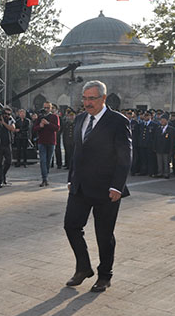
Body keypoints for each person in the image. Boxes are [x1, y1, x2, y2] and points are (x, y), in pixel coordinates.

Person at [64, 80, 132, 293]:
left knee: (104, 234)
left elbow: (125, 156)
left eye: (92, 98)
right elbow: (77, 152)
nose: (87, 103)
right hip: (80, 187)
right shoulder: (81, 119)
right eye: (84, 98)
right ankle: (83, 267)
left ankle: (105, 276)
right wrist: (71, 178)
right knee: (71, 226)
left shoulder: (117, 121)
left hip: (106, 189)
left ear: (103, 98)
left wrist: (117, 186)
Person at [33, 101, 60, 187]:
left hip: (51, 141)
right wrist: (40, 126)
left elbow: (57, 128)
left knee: (48, 161)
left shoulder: (54, 117)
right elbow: (34, 128)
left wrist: (48, 123)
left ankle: (46, 176)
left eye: (48, 108)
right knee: (43, 161)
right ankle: (44, 178)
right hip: (42, 142)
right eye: (45, 107)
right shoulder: (40, 117)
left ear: (51, 108)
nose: (46, 109)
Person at [0, 105, 15, 187]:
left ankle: (3, 175)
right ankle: (0, 180)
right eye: (5, 114)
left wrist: (4, 123)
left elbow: (12, 128)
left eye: (8, 114)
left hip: (7, 143)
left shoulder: (10, 119)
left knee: (9, 161)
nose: (7, 116)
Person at [153, 113, 175, 179]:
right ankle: (160, 173)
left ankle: (166, 173)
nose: (162, 121)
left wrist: (171, 149)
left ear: (167, 121)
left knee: (166, 162)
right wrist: (154, 147)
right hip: (159, 148)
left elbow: (172, 140)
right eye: (161, 120)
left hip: (167, 149)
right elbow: (155, 139)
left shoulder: (171, 129)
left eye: (163, 120)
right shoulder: (158, 128)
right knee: (159, 162)